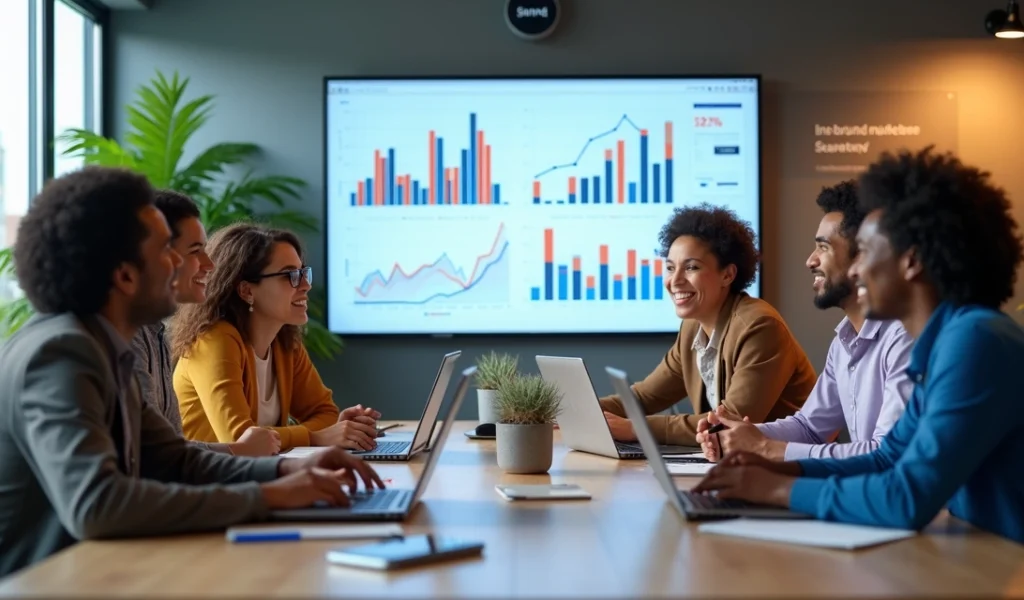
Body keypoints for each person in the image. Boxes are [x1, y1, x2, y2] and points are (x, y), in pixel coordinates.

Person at [0, 166, 385, 577]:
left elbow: (174, 460)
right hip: (54, 582)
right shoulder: (62, 353)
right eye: (168, 250)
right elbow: (98, 505)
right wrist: (270, 496)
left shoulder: (106, 349)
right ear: (126, 275)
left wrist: (286, 469)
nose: (190, 264)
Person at [693, 147, 1024, 544]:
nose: (854, 269)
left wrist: (774, 489)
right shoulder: (944, 342)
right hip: (979, 554)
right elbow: (887, 459)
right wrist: (779, 471)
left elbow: (905, 497)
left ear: (911, 260)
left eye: (864, 251)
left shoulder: (975, 341)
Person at [695, 181, 914, 461]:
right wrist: (738, 434)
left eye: (823, 247)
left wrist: (764, 447)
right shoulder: (843, 343)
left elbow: (887, 455)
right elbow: (810, 428)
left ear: (864, 256)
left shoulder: (902, 337)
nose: (810, 261)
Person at [599, 203, 817, 447]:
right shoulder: (693, 327)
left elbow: (729, 421)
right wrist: (575, 410)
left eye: (691, 267)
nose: (675, 280)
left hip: (790, 468)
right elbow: (642, 397)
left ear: (727, 275)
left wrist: (636, 428)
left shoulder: (759, 327)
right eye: (671, 268)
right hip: (736, 462)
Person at [172, 222, 380, 453]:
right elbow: (240, 439)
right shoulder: (214, 341)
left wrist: (330, 431)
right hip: (207, 483)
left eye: (303, 272)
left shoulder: (285, 342)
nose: (306, 285)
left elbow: (325, 414)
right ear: (247, 291)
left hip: (255, 477)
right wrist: (316, 437)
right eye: (290, 275)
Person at [131, 190, 280, 456]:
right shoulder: (127, 340)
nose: (210, 265)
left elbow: (169, 450)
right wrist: (239, 453)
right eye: (195, 251)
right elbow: (154, 456)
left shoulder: (154, 334)